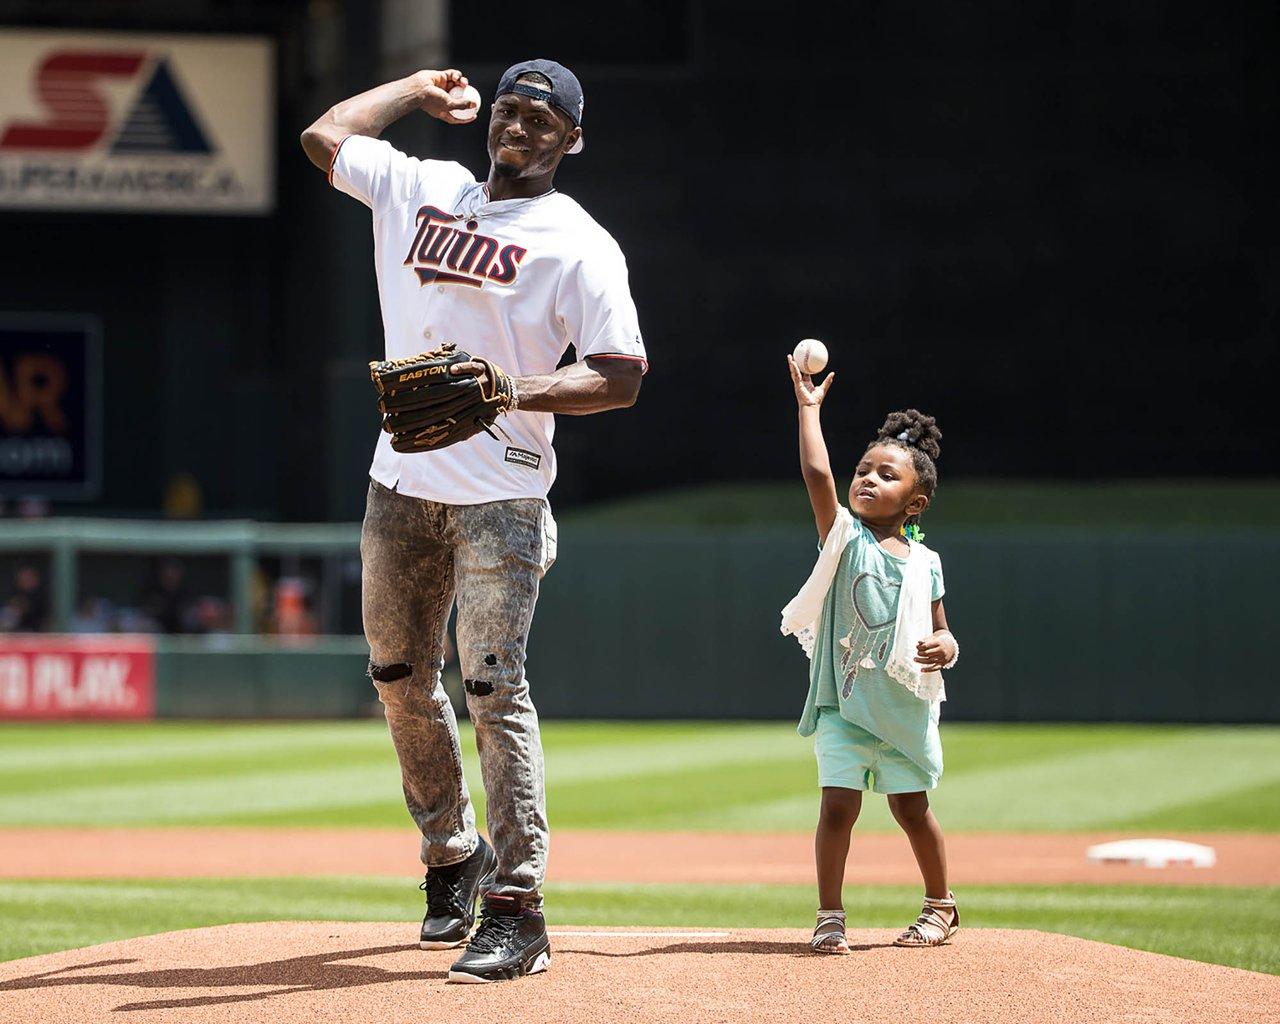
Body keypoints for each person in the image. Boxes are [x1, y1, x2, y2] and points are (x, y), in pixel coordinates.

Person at [300, 60, 646, 983]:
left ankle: (519, 907)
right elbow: (324, 138)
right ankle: (454, 855)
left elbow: (619, 374)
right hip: (399, 482)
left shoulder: (581, 244)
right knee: (399, 676)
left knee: (494, 690)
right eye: (508, 110)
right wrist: (415, 89)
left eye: (542, 119)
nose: (518, 128)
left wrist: (512, 392)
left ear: (572, 139)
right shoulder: (422, 186)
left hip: (504, 492)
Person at [781, 356, 960, 955]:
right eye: (863, 470)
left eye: (886, 475)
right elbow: (816, 476)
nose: (867, 479)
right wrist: (810, 412)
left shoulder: (927, 562)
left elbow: (943, 631)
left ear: (916, 502)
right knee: (837, 807)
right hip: (846, 703)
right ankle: (830, 915)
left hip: (904, 707)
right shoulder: (844, 539)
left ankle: (941, 905)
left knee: (913, 809)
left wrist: (947, 647)